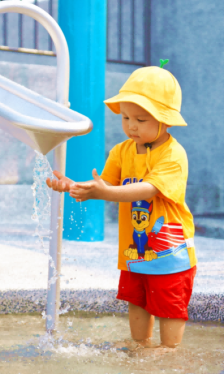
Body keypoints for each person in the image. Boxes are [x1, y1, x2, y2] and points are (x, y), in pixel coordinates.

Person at [46, 60, 197, 350]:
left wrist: (104, 192)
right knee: (136, 303)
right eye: (125, 118)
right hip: (135, 252)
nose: (131, 126)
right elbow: (102, 185)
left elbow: (148, 189)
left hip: (170, 253)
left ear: (164, 119)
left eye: (141, 120)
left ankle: (169, 356)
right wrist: (71, 186)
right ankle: (140, 350)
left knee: (169, 307)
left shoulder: (173, 155)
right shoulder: (121, 150)